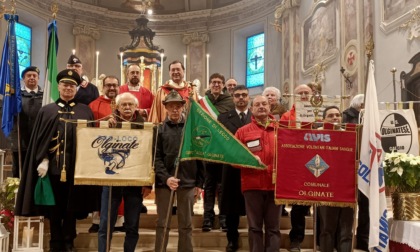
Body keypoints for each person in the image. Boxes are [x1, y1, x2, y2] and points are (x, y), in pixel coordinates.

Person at [15, 69, 96, 252]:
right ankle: (55, 241)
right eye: (65, 84)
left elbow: (91, 141)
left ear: (76, 89)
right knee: (53, 207)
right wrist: (42, 159)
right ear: (58, 86)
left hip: (76, 168)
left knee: (71, 207)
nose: (68, 88)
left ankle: (68, 241)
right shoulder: (47, 111)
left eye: (72, 85)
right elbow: (40, 140)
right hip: (51, 168)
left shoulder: (85, 111)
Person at [97, 92, 152, 252]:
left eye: (130, 105)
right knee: (105, 224)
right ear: (118, 107)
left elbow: (149, 154)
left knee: (132, 224)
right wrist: (106, 127)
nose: (127, 107)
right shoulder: (108, 123)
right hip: (111, 180)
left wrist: (148, 182)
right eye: (124, 105)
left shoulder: (145, 126)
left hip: (134, 181)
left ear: (136, 107)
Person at [154, 89, 204, 252]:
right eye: (171, 106)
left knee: (186, 224)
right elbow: (156, 158)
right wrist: (167, 178)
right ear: (166, 108)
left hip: (187, 182)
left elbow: (200, 157)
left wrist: (199, 183)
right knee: (163, 223)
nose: (175, 109)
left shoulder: (192, 129)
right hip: (165, 183)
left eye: (178, 106)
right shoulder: (159, 130)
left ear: (183, 107)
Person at [235, 95, 282, 252]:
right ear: (251, 109)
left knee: (273, 228)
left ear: (270, 108)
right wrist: (249, 159)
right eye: (257, 105)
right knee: (254, 227)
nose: (261, 106)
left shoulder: (282, 129)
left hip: (276, 186)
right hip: (252, 185)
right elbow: (232, 158)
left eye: (264, 104)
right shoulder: (242, 132)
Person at [218, 85, 250, 252]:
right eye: (237, 95)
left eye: (244, 95)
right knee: (231, 208)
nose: (241, 98)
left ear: (249, 97)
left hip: (253, 168)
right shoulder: (223, 118)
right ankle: (232, 239)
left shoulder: (256, 117)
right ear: (232, 98)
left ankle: (255, 238)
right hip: (231, 168)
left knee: (254, 206)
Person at [280, 84, 313, 252]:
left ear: (312, 94)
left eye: (307, 93)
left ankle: (323, 237)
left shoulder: (318, 114)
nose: (304, 95)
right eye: (300, 93)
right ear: (295, 96)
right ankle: (296, 239)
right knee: (298, 204)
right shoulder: (287, 116)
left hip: (317, 162)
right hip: (296, 165)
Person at [202, 73, 235, 232]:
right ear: (209, 84)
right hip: (208, 147)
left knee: (222, 186)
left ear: (223, 85)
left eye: (219, 83)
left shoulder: (229, 101)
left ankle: (223, 217)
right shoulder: (203, 101)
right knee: (209, 185)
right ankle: (207, 217)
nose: (216, 85)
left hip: (223, 148)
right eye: (213, 82)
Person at [318, 106, 354, 252]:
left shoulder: (350, 135)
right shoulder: (317, 136)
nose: (335, 118)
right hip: (325, 188)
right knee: (327, 229)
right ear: (323, 119)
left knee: (346, 231)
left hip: (347, 188)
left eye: (337, 115)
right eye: (331, 115)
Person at [87, 75, 120, 233]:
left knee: (119, 187)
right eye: (109, 85)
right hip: (99, 153)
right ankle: (96, 221)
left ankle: (119, 222)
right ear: (103, 86)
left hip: (120, 153)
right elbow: (89, 129)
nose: (112, 88)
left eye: (115, 85)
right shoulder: (94, 105)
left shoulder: (124, 103)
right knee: (98, 189)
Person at [342, 94, 368, 251]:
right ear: (359, 105)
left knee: (366, 206)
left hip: (366, 165)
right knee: (348, 207)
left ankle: (364, 238)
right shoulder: (346, 116)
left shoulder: (372, 117)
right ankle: (345, 239)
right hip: (349, 165)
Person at [9, 66, 43, 178]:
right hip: (20, 142)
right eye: (29, 75)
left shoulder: (45, 97)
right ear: (23, 79)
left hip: (39, 142)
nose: (32, 78)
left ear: (38, 78)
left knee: (37, 174)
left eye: (35, 75)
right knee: (19, 173)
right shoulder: (15, 96)